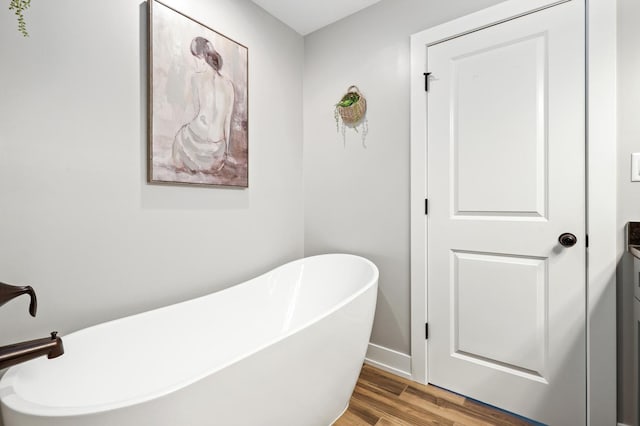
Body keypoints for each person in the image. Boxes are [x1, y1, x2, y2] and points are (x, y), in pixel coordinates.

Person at [172, 36, 235, 174]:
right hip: (217, 155)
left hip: (197, 147)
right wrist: (224, 154)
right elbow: (227, 122)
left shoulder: (196, 79)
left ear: (200, 57)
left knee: (179, 137)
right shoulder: (229, 85)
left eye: (193, 57)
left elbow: (195, 112)